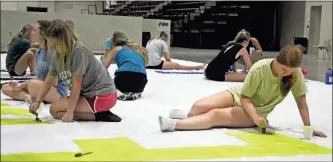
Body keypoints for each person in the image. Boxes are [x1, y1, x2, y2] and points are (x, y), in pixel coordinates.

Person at [158, 45, 327, 138]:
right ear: (276, 60)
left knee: (215, 115)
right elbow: (245, 97)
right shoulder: (259, 68)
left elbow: (301, 102)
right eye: (284, 69)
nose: (286, 73)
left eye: (290, 71)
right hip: (241, 95)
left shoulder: (295, 74)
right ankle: (190, 115)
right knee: (198, 106)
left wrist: (308, 128)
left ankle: (174, 125)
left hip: (256, 110)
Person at [29, 19, 121, 123]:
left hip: (103, 95)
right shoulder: (58, 56)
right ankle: (96, 114)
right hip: (87, 95)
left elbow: (77, 83)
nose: (52, 49)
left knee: (55, 109)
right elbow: (48, 81)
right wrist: (37, 101)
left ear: (63, 40)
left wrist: (70, 112)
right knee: (55, 111)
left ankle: (101, 116)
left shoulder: (78, 50)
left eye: (55, 46)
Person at [2, 20, 68, 104]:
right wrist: (21, 85)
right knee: (6, 87)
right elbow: (39, 77)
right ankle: (29, 97)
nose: (32, 33)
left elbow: (54, 83)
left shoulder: (52, 52)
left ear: (43, 34)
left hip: (57, 92)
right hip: (40, 87)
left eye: (34, 30)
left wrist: (26, 85)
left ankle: (35, 96)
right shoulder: (40, 51)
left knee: (32, 84)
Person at [103, 31, 148, 101]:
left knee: (108, 84)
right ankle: (135, 93)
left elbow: (103, 69)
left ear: (113, 42)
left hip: (122, 80)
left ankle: (119, 92)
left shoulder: (115, 49)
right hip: (140, 83)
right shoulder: (137, 49)